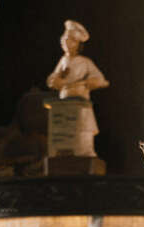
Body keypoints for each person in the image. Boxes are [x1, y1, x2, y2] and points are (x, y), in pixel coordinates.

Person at [45, 19, 108, 157]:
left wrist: (88, 83)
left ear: (77, 43)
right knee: (62, 130)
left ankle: (83, 153)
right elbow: (51, 80)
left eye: (71, 40)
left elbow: (100, 79)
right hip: (64, 102)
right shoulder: (63, 61)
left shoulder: (85, 62)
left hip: (79, 102)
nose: (67, 43)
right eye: (65, 39)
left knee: (81, 130)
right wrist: (57, 79)